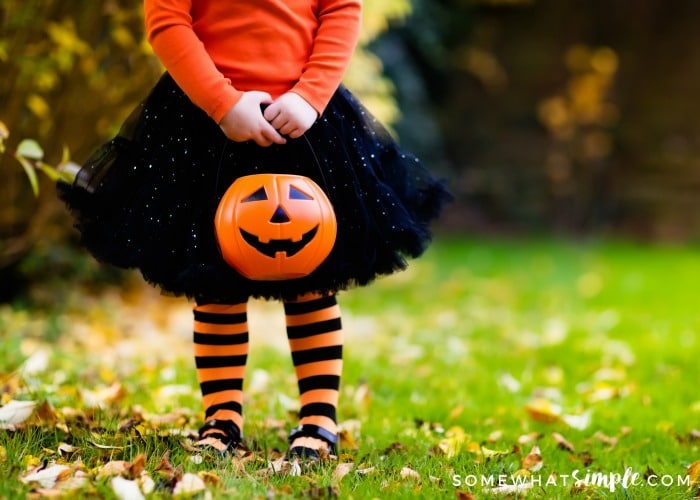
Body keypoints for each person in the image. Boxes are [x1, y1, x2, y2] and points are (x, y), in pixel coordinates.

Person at [58, 0, 451, 460]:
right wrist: (223, 103)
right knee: (215, 281)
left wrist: (310, 96)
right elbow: (167, 21)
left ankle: (319, 419)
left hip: (304, 120)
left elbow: (342, 9)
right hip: (205, 125)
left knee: (313, 280)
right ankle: (222, 418)